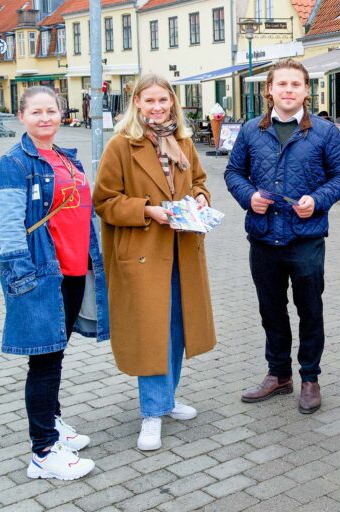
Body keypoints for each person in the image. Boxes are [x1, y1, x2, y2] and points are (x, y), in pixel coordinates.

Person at [93, 74, 217, 451]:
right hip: (144, 252)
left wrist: (199, 199)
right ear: (136, 104)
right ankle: (150, 412)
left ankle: (166, 398)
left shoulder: (181, 141)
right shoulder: (120, 145)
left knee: (178, 328)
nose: (157, 107)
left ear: (172, 102)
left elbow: (199, 180)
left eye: (163, 100)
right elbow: (104, 200)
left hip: (182, 250)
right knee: (152, 332)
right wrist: (148, 210)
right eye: (149, 101)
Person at [225, 59, 340, 414]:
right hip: (264, 238)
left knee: (310, 310)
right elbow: (234, 172)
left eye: (295, 85)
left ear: (306, 91)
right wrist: (248, 197)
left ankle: (310, 378)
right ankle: (279, 375)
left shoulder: (325, 132)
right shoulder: (251, 131)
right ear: (269, 90)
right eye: (281, 84)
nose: (288, 90)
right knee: (271, 310)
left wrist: (318, 200)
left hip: (305, 238)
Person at [0, 86, 109, 480]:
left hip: (74, 273)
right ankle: (42, 452)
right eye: (37, 112)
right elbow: (9, 229)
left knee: (55, 357)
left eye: (52, 111)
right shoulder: (15, 163)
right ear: (22, 116)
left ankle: (53, 424)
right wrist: (21, 279)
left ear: (62, 115)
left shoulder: (64, 156)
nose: (45, 118)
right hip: (42, 276)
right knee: (42, 362)